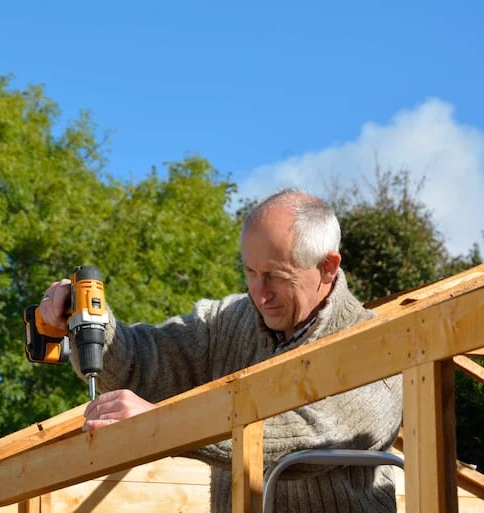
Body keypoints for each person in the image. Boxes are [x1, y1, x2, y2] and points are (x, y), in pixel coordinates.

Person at [38, 188, 403, 513]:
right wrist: (92, 323)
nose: (259, 294)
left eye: (276, 276)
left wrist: (164, 426)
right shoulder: (228, 321)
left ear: (327, 267)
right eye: (250, 272)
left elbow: (303, 439)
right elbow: (142, 363)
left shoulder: (378, 347)